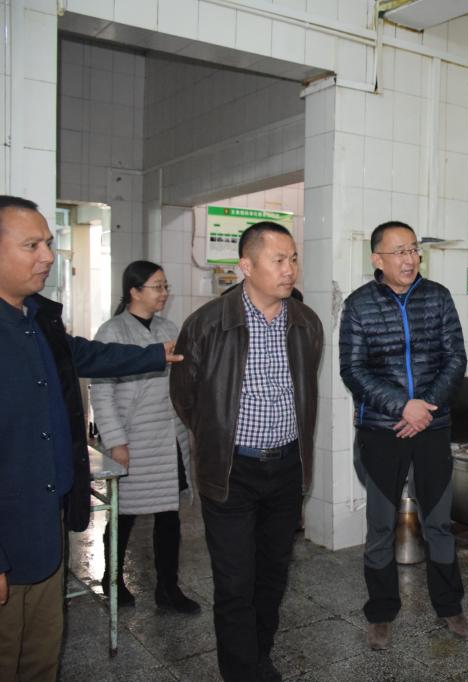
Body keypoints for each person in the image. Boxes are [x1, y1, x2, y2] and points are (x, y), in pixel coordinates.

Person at [0, 196, 181, 681]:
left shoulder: (37, 319)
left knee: (40, 654)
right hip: (8, 531)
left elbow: (88, 356)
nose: (47, 256)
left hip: (47, 522)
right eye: (32, 245)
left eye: (48, 243)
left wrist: (154, 355)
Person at [170, 222, 323, 682]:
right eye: (278, 260)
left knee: (273, 575)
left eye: (293, 258)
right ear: (246, 266)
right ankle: (240, 672)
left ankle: (259, 656)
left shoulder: (306, 323)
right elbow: (185, 397)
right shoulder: (207, 323)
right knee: (235, 581)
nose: (289, 269)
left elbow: (305, 389)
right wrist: (218, 440)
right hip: (231, 471)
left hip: (286, 468)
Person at [339, 220, 468, 651]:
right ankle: (381, 612)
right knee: (381, 524)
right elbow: (353, 369)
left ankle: (449, 606)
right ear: (377, 259)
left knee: (439, 523)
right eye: (399, 251)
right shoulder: (358, 305)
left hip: (432, 426)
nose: (410, 258)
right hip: (382, 430)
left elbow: (455, 358)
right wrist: (402, 406)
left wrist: (424, 407)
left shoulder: (438, 297)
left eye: (414, 249)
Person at [91, 260, 199, 613]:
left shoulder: (169, 328)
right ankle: (112, 578)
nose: (164, 293)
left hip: (169, 439)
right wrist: (116, 441)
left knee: (169, 516)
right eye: (157, 286)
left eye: (166, 286)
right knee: (124, 514)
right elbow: (101, 392)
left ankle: (168, 589)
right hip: (134, 439)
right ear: (134, 291)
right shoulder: (112, 332)